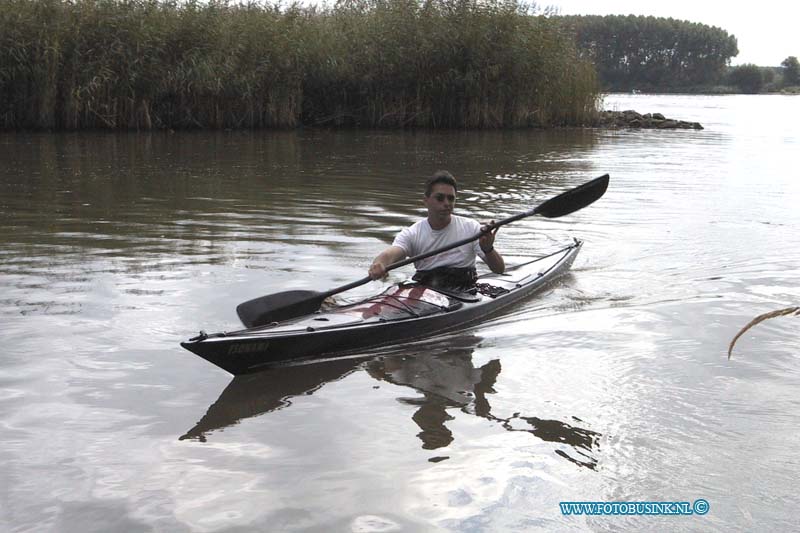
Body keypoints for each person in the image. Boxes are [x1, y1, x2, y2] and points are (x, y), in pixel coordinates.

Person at [368, 170, 505, 291]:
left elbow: (499, 269)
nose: (446, 203)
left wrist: (488, 249)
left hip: (464, 289)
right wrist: (380, 264)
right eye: (440, 198)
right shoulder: (412, 233)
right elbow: (392, 253)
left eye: (451, 198)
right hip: (426, 290)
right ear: (426, 201)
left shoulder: (471, 228)